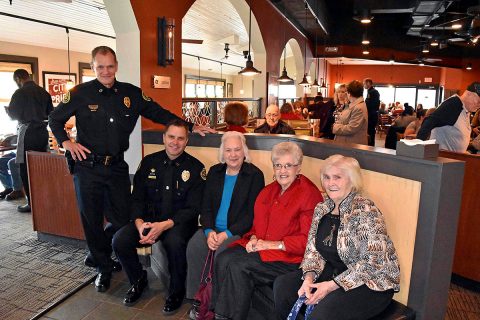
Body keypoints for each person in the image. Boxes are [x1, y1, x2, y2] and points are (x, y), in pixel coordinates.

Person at [48, 46, 213, 293]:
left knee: (123, 219)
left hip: (115, 167)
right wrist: (66, 142)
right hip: (87, 168)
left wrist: (189, 125)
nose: (105, 71)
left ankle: (100, 251)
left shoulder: (130, 94)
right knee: (91, 219)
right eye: (100, 66)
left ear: (116, 66)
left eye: (110, 66)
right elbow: (54, 119)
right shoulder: (80, 93)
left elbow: (158, 112)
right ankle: (103, 267)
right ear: (93, 67)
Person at [274, 155, 400, 320]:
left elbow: (372, 262)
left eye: (337, 177)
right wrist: (308, 278)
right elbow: (313, 250)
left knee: (325, 312)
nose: (330, 183)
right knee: (283, 286)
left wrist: (331, 286)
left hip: (370, 282)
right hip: (335, 271)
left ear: (352, 180)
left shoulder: (365, 210)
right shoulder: (322, 207)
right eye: (326, 177)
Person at [211, 141, 323, 320]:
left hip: (290, 258)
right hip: (264, 250)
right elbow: (256, 226)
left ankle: (228, 316)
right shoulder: (268, 191)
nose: (282, 171)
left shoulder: (309, 195)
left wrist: (271, 245)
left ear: (298, 167)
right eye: (278, 165)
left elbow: (308, 242)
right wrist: (254, 238)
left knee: (239, 266)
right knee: (223, 256)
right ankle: (217, 312)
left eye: (288, 165)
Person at [112, 120, 206, 312]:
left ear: (186, 141)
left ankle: (176, 291)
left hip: (177, 223)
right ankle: (138, 280)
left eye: (180, 138)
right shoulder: (148, 163)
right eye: (171, 137)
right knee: (120, 240)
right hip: (148, 220)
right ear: (164, 138)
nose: (175, 142)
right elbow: (136, 198)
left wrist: (164, 225)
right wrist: (139, 224)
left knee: (175, 243)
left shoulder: (196, 168)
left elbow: (193, 208)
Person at [186, 131, 265, 314]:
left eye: (237, 149)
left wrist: (226, 234)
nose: (233, 154)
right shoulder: (215, 171)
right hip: (212, 229)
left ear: (244, 151)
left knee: (222, 253)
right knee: (195, 246)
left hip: (237, 232)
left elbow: (251, 215)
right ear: (223, 152)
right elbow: (205, 206)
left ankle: (215, 302)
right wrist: (208, 231)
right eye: (228, 150)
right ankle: (197, 298)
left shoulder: (254, 175)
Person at [5, 69, 53, 212]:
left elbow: (13, 115)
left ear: (19, 79)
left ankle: (32, 203)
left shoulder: (19, 93)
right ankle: (46, 198)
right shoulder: (43, 92)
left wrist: (8, 111)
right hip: (43, 132)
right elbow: (51, 113)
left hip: (28, 132)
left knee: (25, 167)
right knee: (42, 165)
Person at [417, 82, 480, 152]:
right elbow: (428, 121)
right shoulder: (454, 105)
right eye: (479, 101)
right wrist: (418, 147)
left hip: (453, 158)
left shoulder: (465, 109)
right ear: (469, 94)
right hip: (443, 157)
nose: (479, 105)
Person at [332, 80, 368, 145]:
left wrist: (335, 127)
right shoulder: (354, 105)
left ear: (348, 93)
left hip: (352, 144)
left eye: (343, 92)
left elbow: (351, 128)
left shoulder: (358, 107)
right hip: (347, 142)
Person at [363, 78, 380, 146]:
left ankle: (370, 147)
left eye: (364, 83)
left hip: (371, 115)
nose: (364, 85)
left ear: (368, 83)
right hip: (373, 114)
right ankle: (370, 146)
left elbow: (369, 104)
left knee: (370, 132)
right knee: (371, 132)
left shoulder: (372, 92)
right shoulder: (372, 91)